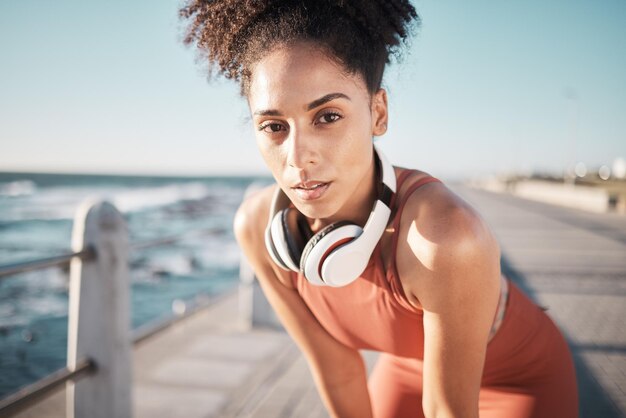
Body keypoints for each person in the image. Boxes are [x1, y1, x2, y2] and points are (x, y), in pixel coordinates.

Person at [180, 1, 579, 417]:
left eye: (327, 116)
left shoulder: (444, 238)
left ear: (378, 112)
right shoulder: (258, 229)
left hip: (517, 377)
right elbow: (337, 372)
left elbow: (447, 409)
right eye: (274, 126)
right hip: (407, 370)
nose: (298, 157)